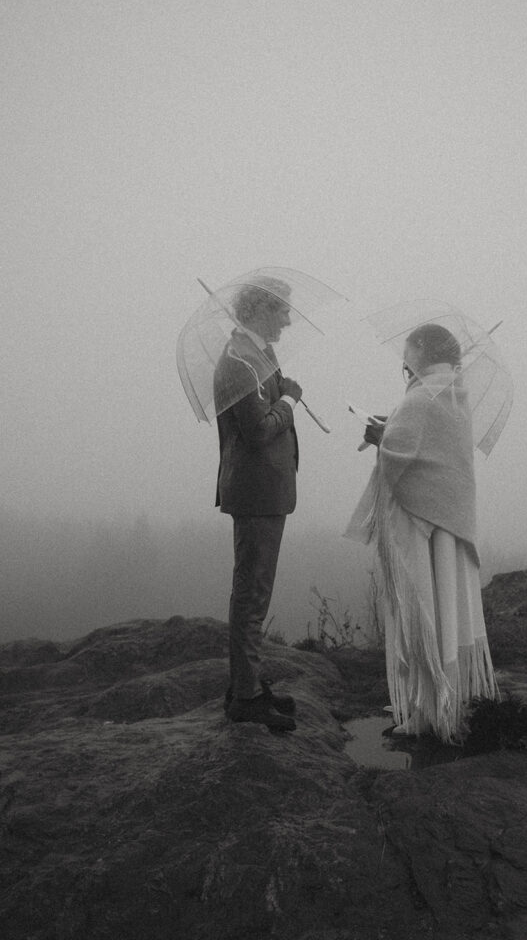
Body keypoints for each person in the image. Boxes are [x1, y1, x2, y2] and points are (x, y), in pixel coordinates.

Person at [346, 323, 498, 742]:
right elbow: (426, 449)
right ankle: (442, 704)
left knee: (421, 613)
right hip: (449, 522)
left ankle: (426, 711)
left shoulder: (423, 397)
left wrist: (380, 435)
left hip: (418, 523)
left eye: (409, 352)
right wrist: (390, 427)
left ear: (423, 354)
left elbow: (401, 456)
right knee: (446, 613)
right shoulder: (455, 393)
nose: (404, 362)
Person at [214, 277, 302, 732]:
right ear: (261, 310)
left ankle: (247, 684)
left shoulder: (258, 356)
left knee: (256, 591)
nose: (288, 318)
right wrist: (288, 400)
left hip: (267, 492)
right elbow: (259, 429)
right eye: (282, 310)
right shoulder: (237, 361)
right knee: (251, 594)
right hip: (255, 492)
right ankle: (244, 696)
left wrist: (279, 385)